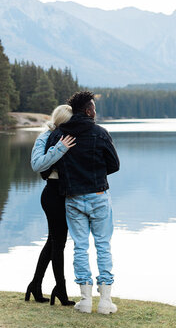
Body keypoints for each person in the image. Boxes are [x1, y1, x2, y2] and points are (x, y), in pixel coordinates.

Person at [45, 91, 120, 315]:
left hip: (73, 197)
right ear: (88, 110)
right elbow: (114, 165)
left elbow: (49, 164)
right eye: (94, 108)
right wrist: (95, 172)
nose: (95, 112)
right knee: (103, 245)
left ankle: (85, 300)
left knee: (80, 246)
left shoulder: (59, 134)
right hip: (98, 196)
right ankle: (105, 302)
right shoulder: (100, 133)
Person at [25, 104, 76, 306]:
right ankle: (60, 290)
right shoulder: (45, 137)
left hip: (65, 194)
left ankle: (35, 285)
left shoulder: (72, 136)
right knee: (59, 244)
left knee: (53, 242)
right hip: (52, 194)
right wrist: (60, 148)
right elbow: (37, 164)